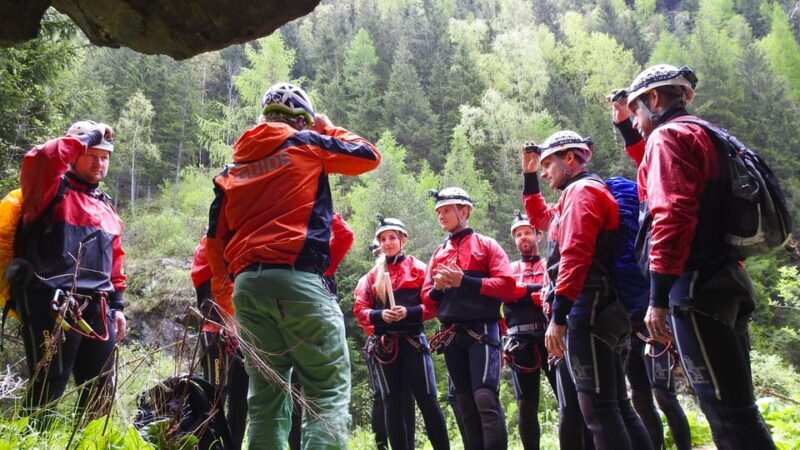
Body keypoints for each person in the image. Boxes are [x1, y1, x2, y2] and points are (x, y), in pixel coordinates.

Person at [206, 82, 380, 449]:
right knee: (325, 393)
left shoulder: (232, 171)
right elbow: (367, 155)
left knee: (265, 401)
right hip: (299, 281)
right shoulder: (306, 143)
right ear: (301, 119)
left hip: (248, 290)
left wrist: (227, 306)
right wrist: (326, 126)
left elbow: (214, 243)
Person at [610, 64, 775, 449]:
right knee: (739, 407)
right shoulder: (704, 133)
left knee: (724, 413)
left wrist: (657, 298)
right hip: (729, 278)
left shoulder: (667, 138)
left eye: (635, 111)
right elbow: (658, 175)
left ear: (654, 100)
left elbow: (671, 214)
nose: (634, 122)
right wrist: (625, 125)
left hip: (695, 287)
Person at [521, 131, 651, 450]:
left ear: (570, 158)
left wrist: (560, 315)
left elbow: (576, 255)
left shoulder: (581, 193)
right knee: (617, 404)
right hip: (603, 306)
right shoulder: (582, 193)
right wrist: (528, 177)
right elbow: (540, 218)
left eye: (548, 164)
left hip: (588, 308)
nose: (545, 171)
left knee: (599, 410)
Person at [15, 120, 126, 420]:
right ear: (75, 152)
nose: (100, 162)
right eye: (92, 154)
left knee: (101, 391)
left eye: (105, 157)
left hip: (99, 306)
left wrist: (118, 306)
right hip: (53, 300)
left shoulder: (105, 206)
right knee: (49, 387)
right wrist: (86, 138)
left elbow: (115, 260)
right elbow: (40, 158)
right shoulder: (49, 190)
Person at [423, 187, 515, 450]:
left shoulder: (487, 245)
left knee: (484, 398)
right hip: (452, 334)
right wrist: (438, 288)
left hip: (482, 330)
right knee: (464, 403)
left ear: (464, 211)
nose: (441, 216)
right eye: (438, 211)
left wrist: (465, 281)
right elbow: (427, 303)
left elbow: (508, 287)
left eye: (446, 210)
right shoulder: (438, 254)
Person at [354, 216, 449, 450]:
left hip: (414, 342)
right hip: (386, 347)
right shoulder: (371, 277)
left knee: (428, 400)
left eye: (392, 238)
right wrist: (380, 316)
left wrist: (408, 312)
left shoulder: (418, 269)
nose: (388, 243)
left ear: (403, 239)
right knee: (391, 403)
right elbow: (360, 310)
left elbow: (433, 306)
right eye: (383, 239)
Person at [289, 212, 354, 450]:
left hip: (289, 325)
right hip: (321, 329)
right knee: (323, 394)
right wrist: (322, 207)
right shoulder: (321, 256)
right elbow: (345, 235)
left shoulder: (287, 254)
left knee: (293, 394)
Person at [502, 212, 558, 450]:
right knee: (526, 404)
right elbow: (506, 293)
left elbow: (553, 293)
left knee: (569, 398)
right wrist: (536, 294)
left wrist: (522, 293)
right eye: (518, 234)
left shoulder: (550, 264)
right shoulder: (509, 268)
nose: (523, 237)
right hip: (520, 343)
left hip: (553, 338)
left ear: (538, 234)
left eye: (527, 232)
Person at [191, 236, 248, 449]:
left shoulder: (244, 237)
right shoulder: (210, 242)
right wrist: (222, 319)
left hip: (243, 334)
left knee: (240, 399)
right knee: (215, 396)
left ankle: (233, 446)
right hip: (216, 332)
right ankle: (209, 445)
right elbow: (202, 284)